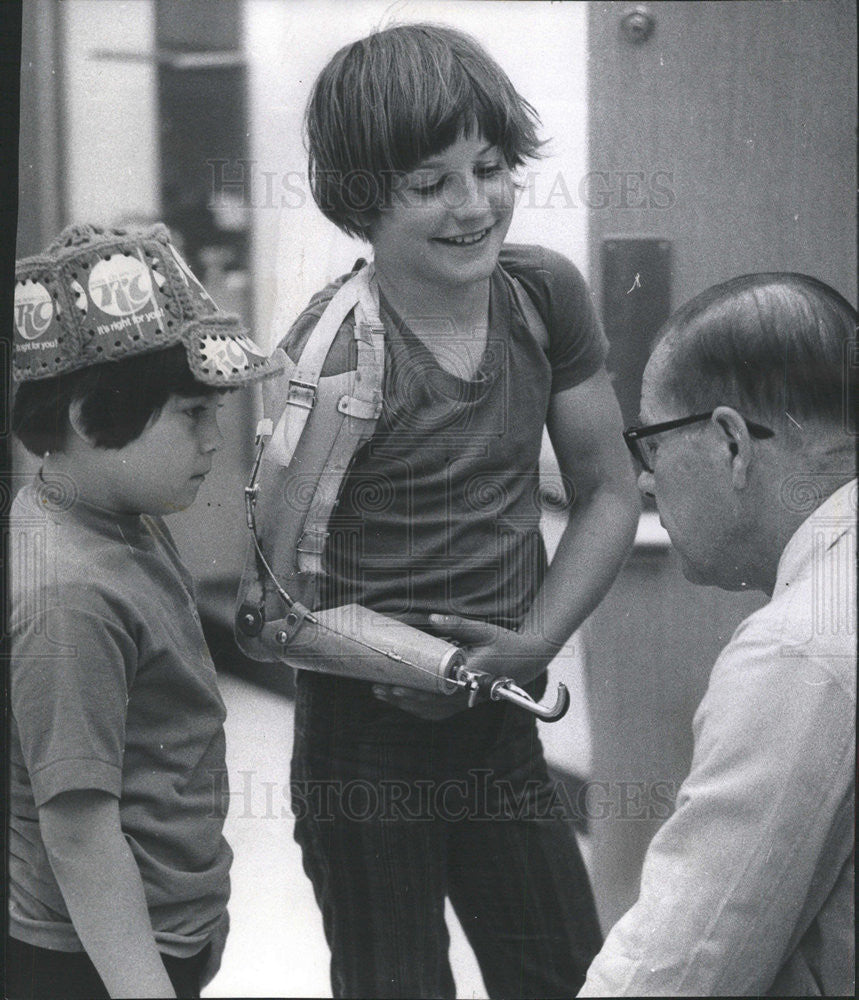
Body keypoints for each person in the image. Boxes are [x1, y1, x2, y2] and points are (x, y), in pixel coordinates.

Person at [252, 23, 640, 999]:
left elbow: (608, 489)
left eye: (491, 165)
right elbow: (268, 609)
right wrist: (421, 661)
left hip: (500, 728)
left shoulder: (542, 295)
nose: (474, 205)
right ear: (362, 198)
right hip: (364, 746)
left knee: (563, 975)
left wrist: (532, 638)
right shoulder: (338, 351)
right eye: (431, 183)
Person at [7, 223, 283, 999]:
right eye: (192, 413)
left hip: (155, 933)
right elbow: (80, 834)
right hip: (88, 963)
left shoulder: (121, 518)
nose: (213, 438)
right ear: (94, 416)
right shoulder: (68, 593)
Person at [579, 273, 856, 996]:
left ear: (731, 442)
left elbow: (680, 969)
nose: (643, 482)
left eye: (650, 445)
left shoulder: (797, 650)